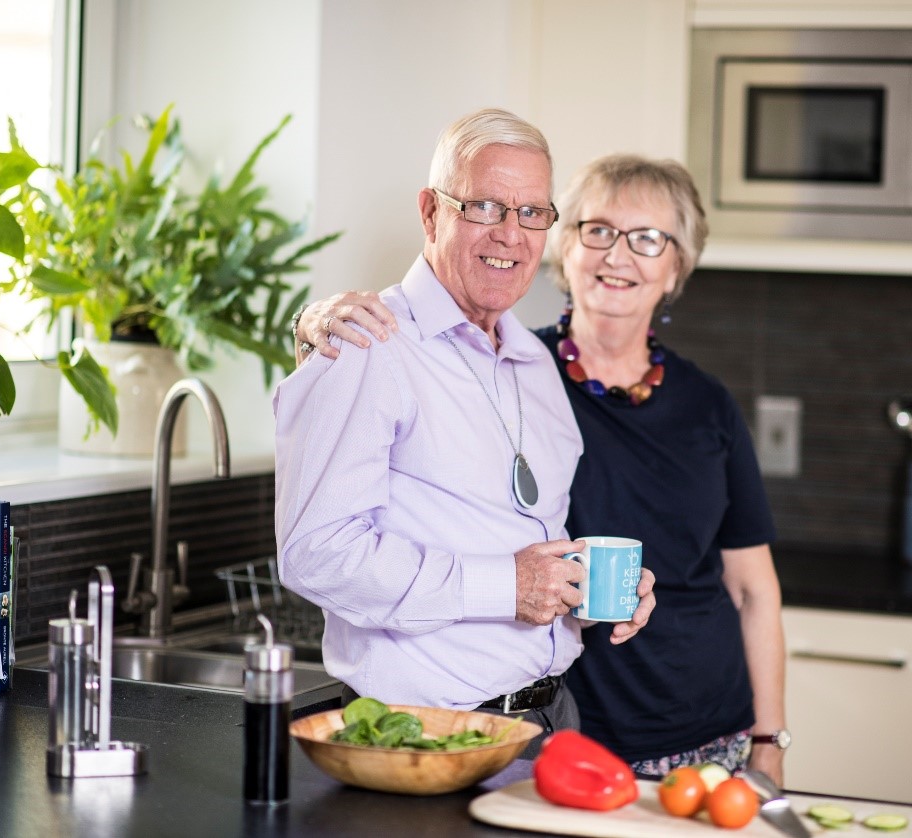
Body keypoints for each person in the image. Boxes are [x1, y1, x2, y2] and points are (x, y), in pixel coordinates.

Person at [293, 153, 787, 785]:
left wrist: (770, 739)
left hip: (702, 725)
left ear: (676, 267)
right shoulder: (512, 365)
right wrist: (310, 326)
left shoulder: (707, 404)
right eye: (597, 230)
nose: (617, 255)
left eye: (648, 239)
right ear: (564, 247)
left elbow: (753, 587)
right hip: (564, 730)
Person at [273, 110, 656, 759]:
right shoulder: (366, 343)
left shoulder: (535, 363)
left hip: (551, 716)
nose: (511, 234)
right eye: (484, 206)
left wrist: (583, 589)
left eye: (533, 212)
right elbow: (316, 553)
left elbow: (515, 540)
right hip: (423, 734)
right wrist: (503, 586)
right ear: (430, 212)